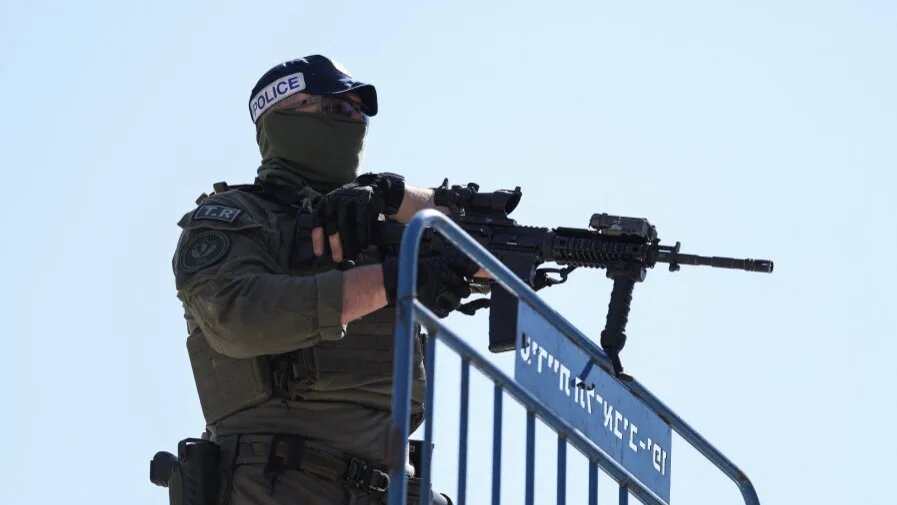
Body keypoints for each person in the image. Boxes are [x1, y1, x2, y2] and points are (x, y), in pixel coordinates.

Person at [171, 55, 471, 504]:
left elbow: (489, 258)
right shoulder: (235, 219)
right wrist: (394, 280)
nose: (352, 123)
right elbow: (237, 315)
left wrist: (393, 194)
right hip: (279, 481)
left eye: (358, 113)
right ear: (280, 119)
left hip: (394, 488)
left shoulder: (379, 219)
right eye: (335, 110)